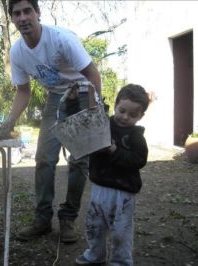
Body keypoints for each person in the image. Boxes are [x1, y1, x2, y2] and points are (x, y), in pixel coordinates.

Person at [1, 0, 102, 243]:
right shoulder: (17, 52)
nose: (23, 17)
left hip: (82, 93)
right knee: (44, 159)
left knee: (79, 161)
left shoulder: (61, 39)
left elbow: (92, 73)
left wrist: (93, 110)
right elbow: (23, 91)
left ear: (38, 13)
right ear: (12, 20)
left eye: (27, 11)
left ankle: (68, 218)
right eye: (17, 14)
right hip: (56, 98)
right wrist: (10, 119)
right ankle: (42, 219)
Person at [75, 84, 150, 265]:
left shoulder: (136, 136)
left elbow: (138, 160)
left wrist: (115, 151)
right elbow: (86, 128)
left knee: (121, 231)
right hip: (99, 187)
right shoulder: (102, 124)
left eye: (133, 115)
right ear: (116, 105)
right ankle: (95, 255)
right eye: (122, 111)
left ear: (141, 116)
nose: (125, 117)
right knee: (95, 225)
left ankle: (121, 261)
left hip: (123, 193)